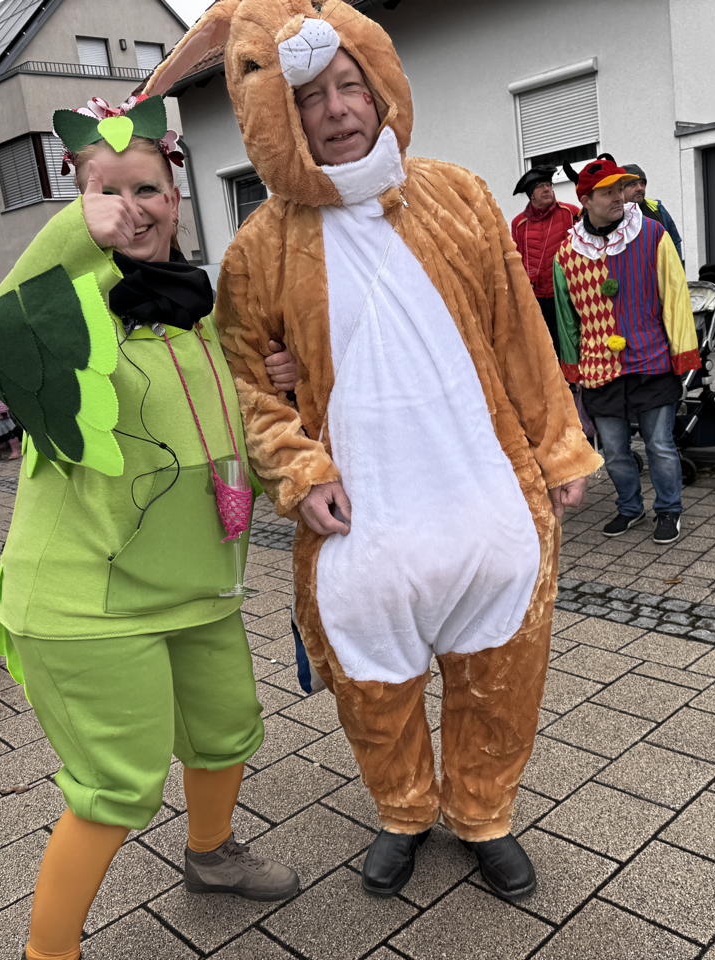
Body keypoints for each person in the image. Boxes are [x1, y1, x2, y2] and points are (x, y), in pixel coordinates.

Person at [149, 0, 602, 901]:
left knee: (498, 674)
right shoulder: (256, 253)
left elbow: (519, 331)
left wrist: (559, 449)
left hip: (481, 492)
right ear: (280, 114)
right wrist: (297, 471)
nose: (338, 109)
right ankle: (404, 809)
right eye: (310, 98)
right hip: (361, 515)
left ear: (379, 83)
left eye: (349, 85)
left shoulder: (461, 196)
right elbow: (246, 386)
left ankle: (483, 813)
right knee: (372, 684)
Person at [0, 93, 301, 960]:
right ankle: (50, 954)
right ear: (79, 203)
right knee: (117, 788)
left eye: (147, 188)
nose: (131, 209)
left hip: (200, 585)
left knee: (227, 729)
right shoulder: (60, 316)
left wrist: (286, 412)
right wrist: (82, 233)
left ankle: (212, 857)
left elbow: (237, 431)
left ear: (176, 196)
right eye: (105, 191)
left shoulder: (201, 312)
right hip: (90, 602)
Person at [554, 158, 700, 546]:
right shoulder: (567, 254)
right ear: (585, 199)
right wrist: (572, 368)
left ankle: (669, 511)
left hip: (651, 360)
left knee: (660, 446)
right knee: (615, 452)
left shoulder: (651, 234)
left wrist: (683, 352)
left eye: (622, 189)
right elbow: (567, 319)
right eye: (609, 192)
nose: (620, 197)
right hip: (599, 367)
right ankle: (630, 507)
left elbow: (675, 295)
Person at [510, 165, 579, 352]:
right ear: (531, 194)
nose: (547, 189)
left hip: (568, 292)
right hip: (539, 296)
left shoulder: (570, 212)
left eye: (549, 184)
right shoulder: (518, 224)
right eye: (541, 186)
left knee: (573, 338)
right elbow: (517, 260)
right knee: (548, 345)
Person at [621, 163, 685, 267]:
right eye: (633, 184)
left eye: (642, 183)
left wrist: (677, 275)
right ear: (620, 189)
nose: (640, 188)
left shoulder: (657, 208)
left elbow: (675, 243)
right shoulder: (614, 214)